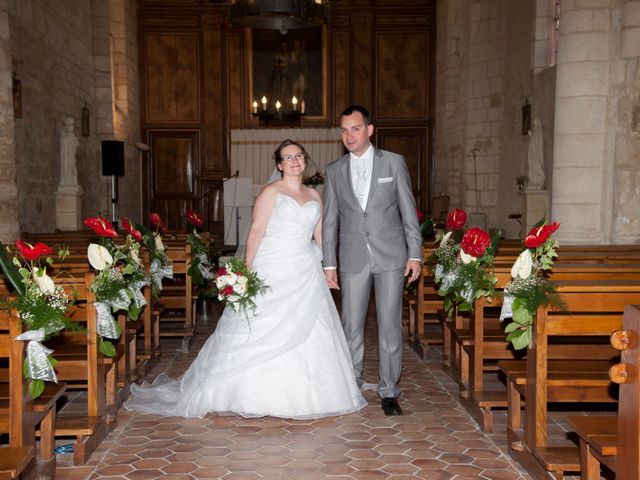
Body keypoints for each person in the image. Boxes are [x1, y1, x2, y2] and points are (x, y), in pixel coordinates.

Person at [124, 139, 366, 419]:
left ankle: (314, 394)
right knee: (261, 326)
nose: (294, 161)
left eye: (299, 155)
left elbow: (320, 234)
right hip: (272, 266)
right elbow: (257, 231)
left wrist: (328, 267)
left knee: (314, 327)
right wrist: (245, 272)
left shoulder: (314, 195)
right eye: (288, 157)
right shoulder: (270, 193)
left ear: (305, 160)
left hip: (306, 268)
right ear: (279, 164)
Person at [322, 105, 422, 416]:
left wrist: (415, 254)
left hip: (391, 257)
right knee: (351, 325)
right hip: (352, 258)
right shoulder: (334, 171)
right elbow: (330, 221)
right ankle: (352, 384)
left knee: (389, 325)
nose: (348, 136)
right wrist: (329, 264)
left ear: (369, 130)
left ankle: (389, 391)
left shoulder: (393, 164)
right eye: (343, 130)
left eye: (354, 129)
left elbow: (408, 211)